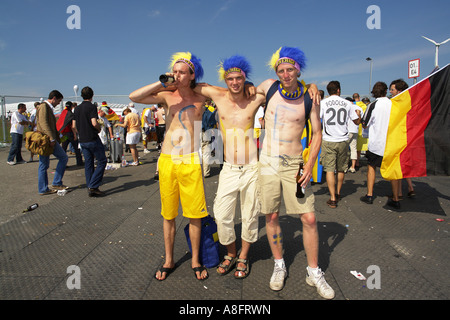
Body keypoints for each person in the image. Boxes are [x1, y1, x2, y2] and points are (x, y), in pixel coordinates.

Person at [257, 46, 334, 299]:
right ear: (276, 72)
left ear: (297, 70)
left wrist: (311, 164)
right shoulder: (268, 86)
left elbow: (317, 133)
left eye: (290, 69)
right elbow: (238, 91)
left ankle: (314, 271)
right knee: (271, 216)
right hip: (267, 161)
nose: (286, 74)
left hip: (293, 163)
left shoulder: (309, 97)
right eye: (281, 70)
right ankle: (279, 265)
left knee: (309, 218)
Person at [129, 51, 209, 281]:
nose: (176, 75)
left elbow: (231, 93)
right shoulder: (166, 95)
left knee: (195, 215)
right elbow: (134, 96)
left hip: (191, 160)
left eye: (181, 72)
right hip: (167, 161)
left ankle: (195, 260)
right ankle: (169, 260)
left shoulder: (200, 95)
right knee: (169, 215)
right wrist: (161, 81)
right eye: (174, 71)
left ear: (192, 75)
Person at [193, 55, 265, 279]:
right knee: (222, 214)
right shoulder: (217, 95)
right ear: (225, 79)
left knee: (250, 215)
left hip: (252, 167)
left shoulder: (255, 98)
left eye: (239, 78)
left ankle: (243, 256)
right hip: (229, 168)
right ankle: (231, 253)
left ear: (245, 78)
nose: (235, 82)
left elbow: (279, 85)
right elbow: (190, 84)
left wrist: (309, 85)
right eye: (230, 78)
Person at [320, 81, 361, 208]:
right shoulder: (347, 103)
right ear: (338, 90)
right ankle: (338, 193)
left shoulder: (323, 103)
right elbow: (356, 121)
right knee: (341, 168)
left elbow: (317, 118)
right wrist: (359, 116)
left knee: (329, 169)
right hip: (343, 139)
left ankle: (332, 198)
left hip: (328, 139)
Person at [360, 82, 392, 206]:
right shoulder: (393, 104)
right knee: (392, 169)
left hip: (376, 143)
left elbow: (364, 123)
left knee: (371, 168)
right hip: (390, 142)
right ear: (386, 91)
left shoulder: (373, 105)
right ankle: (396, 196)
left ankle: (369, 194)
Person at [73, 86, 107, 197]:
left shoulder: (76, 109)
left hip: (82, 139)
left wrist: (80, 132)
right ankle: (93, 185)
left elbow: (74, 126)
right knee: (102, 161)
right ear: (92, 96)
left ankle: (90, 185)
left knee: (88, 163)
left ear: (82, 96)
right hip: (92, 138)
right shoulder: (92, 107)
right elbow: (94, 122)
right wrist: (98, 128)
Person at [36, 90, 69, 195]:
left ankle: (46, 187)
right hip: (47, 140)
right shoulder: (44, 107)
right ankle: (54, 183)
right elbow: (44, 123)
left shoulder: (46, 107)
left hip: (48, 139)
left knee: (44, 164)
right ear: (54, 98)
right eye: (58, 101)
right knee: (61, 158)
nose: (59, 103)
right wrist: (51, 138)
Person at [389, 79, 416, 202]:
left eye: (392, 89)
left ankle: (398, 194)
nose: (390, 91)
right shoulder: (410, 101)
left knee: (397, 164)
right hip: (408, 137)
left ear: (399, 90)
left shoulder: (395, 103)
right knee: (404, 163)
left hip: (399, 137)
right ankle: (409, 188)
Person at [59, 101, 84, 166]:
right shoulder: (70, 114)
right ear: (71, 107)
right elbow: (73, 126)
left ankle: (63, 164)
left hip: (64, 134)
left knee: (63, 149)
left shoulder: (63, 113)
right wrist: (75, 134)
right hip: (70, 133)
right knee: (76, 148)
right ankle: (79, 162)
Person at [200, 99, 217, 178]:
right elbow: (213, 122)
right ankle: (206, 172)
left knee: (196, 152)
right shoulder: (211, 110)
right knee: (206, 153)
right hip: (206, 132)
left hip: (195, 132)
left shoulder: (195, 108)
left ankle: (198, 171)